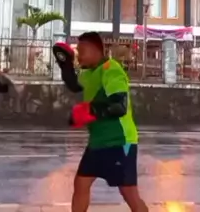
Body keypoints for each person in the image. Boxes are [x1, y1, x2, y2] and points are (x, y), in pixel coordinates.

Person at [57, 32, 147, 212]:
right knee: (81, 183)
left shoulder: (110, 69)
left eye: (82, 51)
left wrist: (90, 111)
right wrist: (65, 65)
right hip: (98, 142)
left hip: (119, 141)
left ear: (95, 50)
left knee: (129, 193)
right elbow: (74, 85)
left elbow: (119, 105)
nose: (79, 56)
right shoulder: (88, 73)